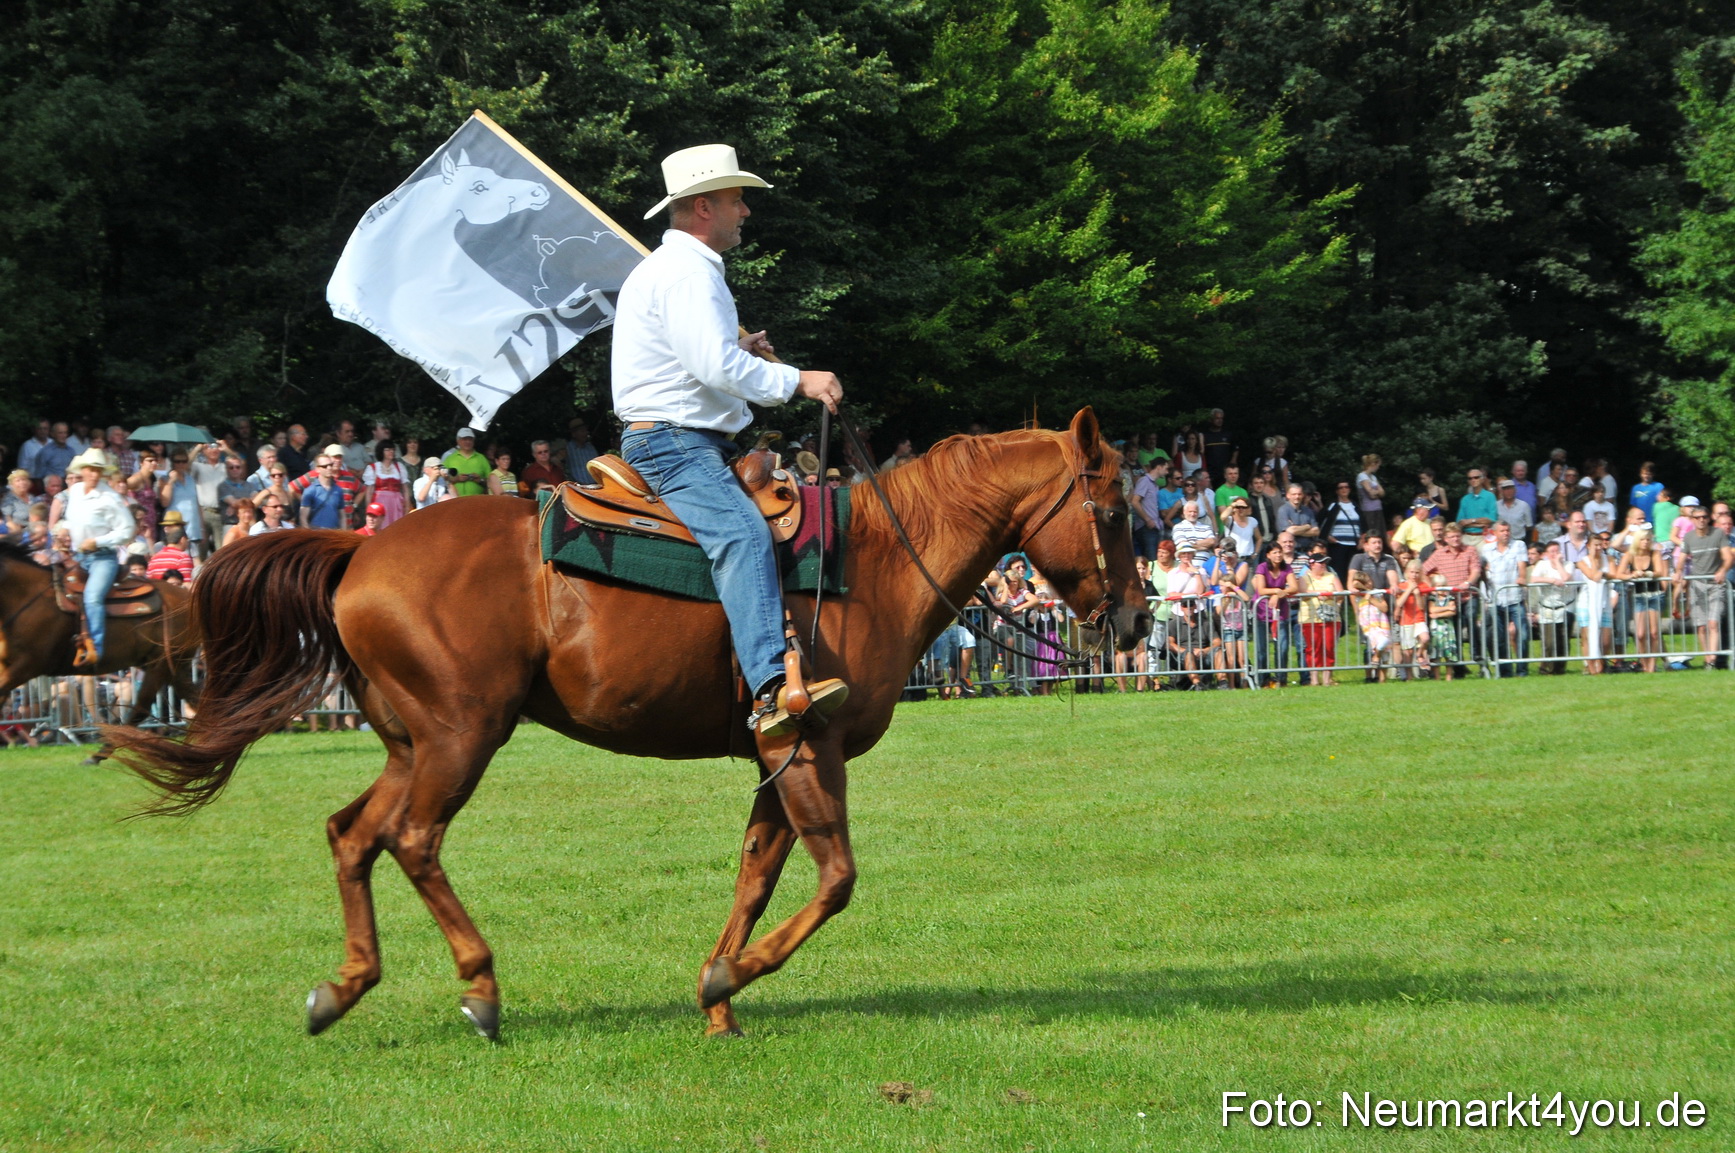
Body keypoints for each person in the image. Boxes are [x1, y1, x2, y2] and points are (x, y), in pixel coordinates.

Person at [613, 143, 847, 736]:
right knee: (744, 536)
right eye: (737, 199)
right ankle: (772, 687)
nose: (745, 211)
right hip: (674, 443)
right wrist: (799, 380)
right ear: (703, 208)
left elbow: (697, 364)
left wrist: (738, 355)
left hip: (681, 435)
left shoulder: (681, 271)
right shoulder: (688, 274)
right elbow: (714, 369)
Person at [63, 448, 134, 663]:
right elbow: (72, 519)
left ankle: (96, 649)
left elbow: (128, 529)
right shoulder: (74, 491)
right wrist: (64, 530)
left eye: (98, 470)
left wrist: (98, 541)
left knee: (92, 597)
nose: (94, 474)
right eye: (90, 469)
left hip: (103, 557)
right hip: (78, 555)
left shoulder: (110, 497)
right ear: (82, 470)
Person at [1420, 522, 1482, 676]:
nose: (1455, 539)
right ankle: (1457, 666)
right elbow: (1423, 570)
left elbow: (1476, 570)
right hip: (1449, 599)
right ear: (1446, 539)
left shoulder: (1470, 550)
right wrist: (1433, 588)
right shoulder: (1439, 554)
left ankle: (1477, 654)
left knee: (1471, 616)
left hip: (1467, 596)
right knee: (1453, 632)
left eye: (1457, 536)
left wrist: (1467, 583)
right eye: (1452, 536)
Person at [1675, 505, 1733, 667]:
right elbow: (1682, 558)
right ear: (1692, 520)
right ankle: (1707, 658)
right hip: (1697, 584)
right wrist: (1678, 572)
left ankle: (1712, 660)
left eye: (1704, 517)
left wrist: (1722, 570)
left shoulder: (1718, 534)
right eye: (1698, 517)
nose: (1701, 520)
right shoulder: (1688, 537)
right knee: (1701, 626)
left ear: (1709, 518)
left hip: (1716, 584)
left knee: (1713, 623)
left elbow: (1728, 557)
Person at [1479, 520, 1528, 676]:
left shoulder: (1518, 545)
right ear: (1495, 533)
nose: (1506, 533)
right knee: (1499, 637)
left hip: (1515, 598)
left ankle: (1522, 670)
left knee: (1524, 635)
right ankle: (1506, 671)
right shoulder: (1486, 549)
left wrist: (1521, 577)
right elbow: (1484, 574)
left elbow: (1522, 566)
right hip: (1495, 600)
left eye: (1507, 530)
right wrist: (1485, 599)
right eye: (1502, 531)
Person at [1615, 529, 1664, 673]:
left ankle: (1652, 664)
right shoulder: (1629, 554)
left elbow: (1660, 572)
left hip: (1655, 594)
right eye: (1642, 539)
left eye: (1648, 540)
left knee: (1654, 632)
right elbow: (1619, 574)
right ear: (1637, 541)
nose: (1645, 542)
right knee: (1640, 633)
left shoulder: (1654, 553)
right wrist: (1632, 575)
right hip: (1639, 596)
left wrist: (1649, 573)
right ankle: (1643, 662)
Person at [1297, 548, 1343, 685]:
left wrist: (1329, 595)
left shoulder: (1332, 576)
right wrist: (1319, 593)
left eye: (1325, 563)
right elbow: (1302, 592)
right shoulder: (1304, 577)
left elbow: (1341, 592)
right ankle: (1314, 679)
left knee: (1329, 647)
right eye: (1320, 563)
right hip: (1310, 618)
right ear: (1312, 564)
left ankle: (1327, 679)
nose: (1323, 565)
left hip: (1330, 617)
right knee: (1313, 648)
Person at [1529, 540, 1574, 674]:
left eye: (1557, 551)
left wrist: (1559, 564)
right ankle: (1545, 668)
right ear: (1546, 554)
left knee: (1562, 640)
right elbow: (1533, 579)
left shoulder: (1568, 564)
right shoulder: (1542, 564)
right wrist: (1552, 580)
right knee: (1548, 642)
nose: (1555, 554)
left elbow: (1566, 578)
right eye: (1552, 552)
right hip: (1547, 606)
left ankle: (1559, 669)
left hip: (1564, 606)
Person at [157, 449, 207, 560]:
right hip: (175, 526)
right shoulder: (164, 479)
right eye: (177, 461)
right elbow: (164, 502)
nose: (181, 464)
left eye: (184, 461)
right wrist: (170, 482)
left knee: (194, 559)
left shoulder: (190, 479)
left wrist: (202, 528)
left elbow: (197, 504)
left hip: (193, 527)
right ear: (172, 462)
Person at [1349, 570, 1393, 682]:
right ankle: (1369, 676)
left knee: (1384, 645)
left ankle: (1381, 678)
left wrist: (1371, 598)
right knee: (1368, 650)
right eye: (1366, 582)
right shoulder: (1358, 595)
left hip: (1380, 624)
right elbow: (1354, 584)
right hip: (1368, 627)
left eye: (1369, 581)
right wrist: (1365, 590)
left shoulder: (1377, 593)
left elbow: (1384, 608)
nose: (1370, 583)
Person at [1392, 559, 1432, 680]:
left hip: (1419, 619)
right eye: (1412, 572)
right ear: (1407, 572)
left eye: (1417, 572)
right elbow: (1399, 603)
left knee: (1425, 638)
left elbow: (1421, 606)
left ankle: (1420, 653)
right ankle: (1409, 676)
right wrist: (1409, 590)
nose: (1414, 575)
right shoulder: (1402, 586)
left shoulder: (1423, 586)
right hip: (1406, 620)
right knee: (1407, 651)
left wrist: (1417, 594)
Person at [1320, 480, 1363, 578]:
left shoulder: (1355, 505)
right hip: (1338, 545)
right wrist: (1327, 536)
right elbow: (1321, 522)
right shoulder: (1332, 505)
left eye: (1346, 487)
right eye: (1341, 487)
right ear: (1337, 491)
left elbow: (1363, 524)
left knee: (1354, 572)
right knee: (1339, 573)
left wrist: (1362, 539)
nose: (1344, 489)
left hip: (1354, 545)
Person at [1131, 455, 1167, 559]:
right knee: (1151, 559)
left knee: (1155, 558)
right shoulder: (1144, 481)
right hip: (1146, 527)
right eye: (1166, 468)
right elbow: (1135, 501)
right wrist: (1147, 519)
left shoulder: (1154, 485)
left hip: (1154, 526)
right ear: (1159, 467)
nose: (1167, 472)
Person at [299, 455, 348, 529]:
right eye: (325, 466)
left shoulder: (338, 490)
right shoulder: (310, 491)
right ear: (317, 469)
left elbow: (342, 516)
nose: (329, 468)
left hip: (334, 534)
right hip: (316, 534)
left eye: (330, 465)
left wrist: (344, 534)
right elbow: (303, 518)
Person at [147, 512, 196, 581]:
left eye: (171, 525)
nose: (166, 528)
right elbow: (187, 584)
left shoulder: (154, 559)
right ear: (182, 539)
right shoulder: (183, 558)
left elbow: (150, 581)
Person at [441, 429, 490, 497]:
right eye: (464, 439)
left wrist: (480, 480)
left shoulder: (481, 458)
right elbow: (441, 480)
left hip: (477, 500)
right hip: (455, 500)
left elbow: (491, 481)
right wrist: (456, 479)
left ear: (473, 441)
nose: (468, 442)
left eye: (470, 439)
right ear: (458, 441)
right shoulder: (450, 458)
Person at [1454, 466, 1497, 543]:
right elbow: (1460, 523)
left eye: (1476, 477)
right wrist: (1480, 523)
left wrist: (1470, 521)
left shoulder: (1490, 496)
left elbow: (1491, 520)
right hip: (1466, 537)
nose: (1473, 480)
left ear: (1482, 479)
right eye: (1470, 478)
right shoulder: (1465, 499)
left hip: (1484, 537)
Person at [1493, 477, 1534, 543]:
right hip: (1501, 541)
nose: (1509, 491)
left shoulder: (1524, 505)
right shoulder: (1496, 505)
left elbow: (1528, 526)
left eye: (1511, 489)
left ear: (1515, 490)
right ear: (1502, 491)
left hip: (1519, 540)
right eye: (1506, 489)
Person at [1201, 408, 1236, 479]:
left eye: (1221, 418)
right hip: (1210, 471)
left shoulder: (1228, 434)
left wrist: (1233, 461)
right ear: (1211, 419)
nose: (1220, 421)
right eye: (1217, 418)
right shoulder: (1205, 435)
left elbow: (1235, 448)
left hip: (1225, 470)